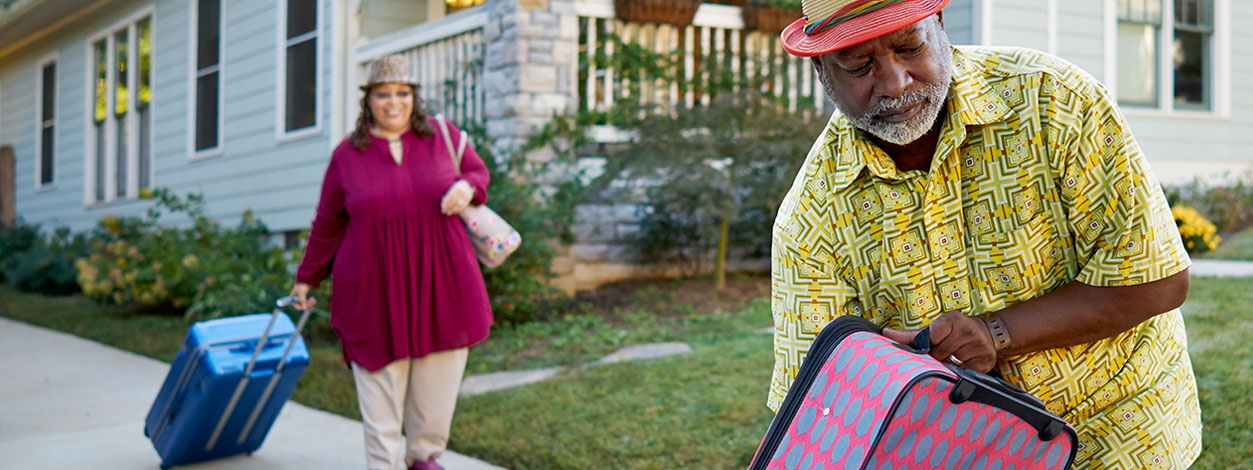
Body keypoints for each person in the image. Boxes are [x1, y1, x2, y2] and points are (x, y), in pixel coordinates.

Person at [768, 0, 1201, 467]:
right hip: (966, 454)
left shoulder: (1055, 102)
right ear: (822, 69)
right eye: (859, 65)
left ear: (938, 24)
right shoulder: (812, 215)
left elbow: (1158, 278)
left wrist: (996, 332)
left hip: (1120, 432)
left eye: (909, 47)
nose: (895, 83)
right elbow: (818, 406)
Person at [289, 54, 492, 470]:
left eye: (402, 93)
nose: (394, 102)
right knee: (379, 382)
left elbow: (477, 173)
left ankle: (423, 458)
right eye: (383, 94)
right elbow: (328, 221)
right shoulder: (347, 155)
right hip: (373, 283)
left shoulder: (443, 136)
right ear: (369, 100)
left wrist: (468, 188)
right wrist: (307, 278)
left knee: (438, 380)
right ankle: (382, 464)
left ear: (414, 96)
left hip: (441, 278)